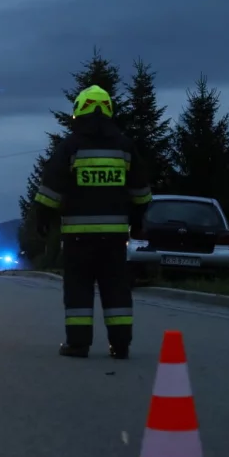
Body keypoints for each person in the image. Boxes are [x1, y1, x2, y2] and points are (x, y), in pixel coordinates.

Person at [33, 85, 153, 359]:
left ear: (79, 110)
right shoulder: (125, 147)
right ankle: (121, 345)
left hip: (78, 237)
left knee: (78, 290)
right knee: (116, 289)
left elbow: (51, 188)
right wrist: (137, 222)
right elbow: (141, 192)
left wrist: (42, 219)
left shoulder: (71, 147)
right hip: (114, 238)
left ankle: (78, 344)